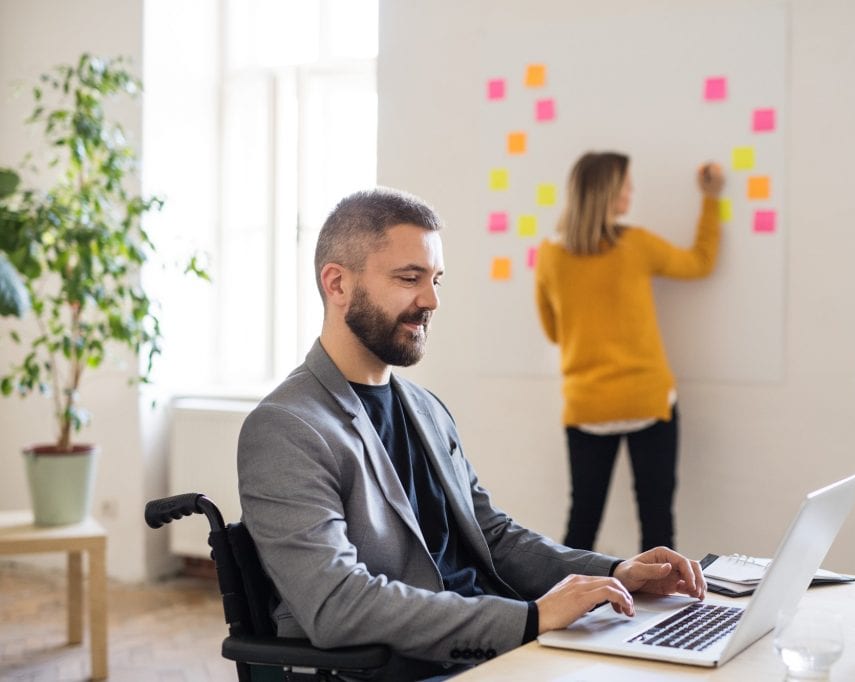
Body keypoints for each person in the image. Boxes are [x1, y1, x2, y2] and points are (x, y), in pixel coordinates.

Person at [237, 187, 707, 681]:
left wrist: (614, 572)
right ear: (337, 284)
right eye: (409, 278)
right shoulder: (287, 427)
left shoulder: (425, 407)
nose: (431, 300)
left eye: (436, 279)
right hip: (417, 668)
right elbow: (338, 604)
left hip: (492, 653)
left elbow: (492, 536)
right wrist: (531, 618)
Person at [534, 152, 725, 553]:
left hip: (587, 405)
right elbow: (700, 262)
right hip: (646, 399)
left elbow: (553, 332)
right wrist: (711, 199)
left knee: (581, 526)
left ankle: (569, 595)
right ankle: (663, 597)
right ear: (607, 193)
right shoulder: (636, 244)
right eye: (626, 185)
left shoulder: (550, 255)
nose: (632, 192)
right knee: (658, 530)